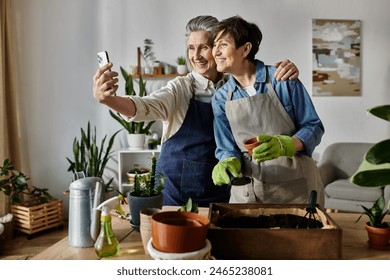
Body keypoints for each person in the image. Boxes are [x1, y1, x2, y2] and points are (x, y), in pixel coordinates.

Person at [93, 15, 299, 207]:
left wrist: (283, 70)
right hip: (175, 193)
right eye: (191, 48)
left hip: (222, 188)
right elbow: (144, 106)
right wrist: (109, 99)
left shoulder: (235, 86)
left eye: (203, 48)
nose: (195, 56)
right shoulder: (180, 88)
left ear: (219, 49)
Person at [211, 16, 325, 207]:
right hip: (249, 190)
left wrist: (286, 144)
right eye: (215, 45)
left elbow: (314, 126)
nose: (216, 52)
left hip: (295, 187)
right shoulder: (221, 97)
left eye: (223, 44)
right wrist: (228, 162)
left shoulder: (282, 79)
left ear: (245, 49)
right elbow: (226, 147)